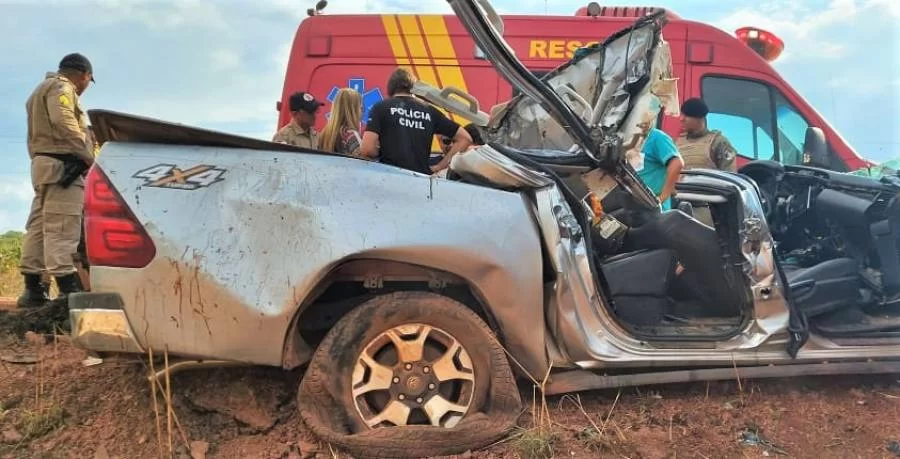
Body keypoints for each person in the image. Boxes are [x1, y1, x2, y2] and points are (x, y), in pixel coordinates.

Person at [18, 53, 96, 309]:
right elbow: (65, 122)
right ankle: (68, 293)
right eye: (88, 80)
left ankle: (33, 289)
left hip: (44, 167)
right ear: (83, 74)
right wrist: (88, 157)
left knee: (40, 227)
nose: (85, 86)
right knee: (62, 227)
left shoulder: (40, 89)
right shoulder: (62, 88)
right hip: (62, 167)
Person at [360, 68, 472, 174]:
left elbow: (367, 149)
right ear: (414, 87)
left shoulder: (380, 108)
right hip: (421, 180)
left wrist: (381, 151)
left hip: (390, 176)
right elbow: (465, 138)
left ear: (391, 87)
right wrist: (440, 166)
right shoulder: (430, 111)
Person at [676, 98, 737, 172]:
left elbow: (729, 176)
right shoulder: (676, 143)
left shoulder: (718, 142)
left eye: (687, 115)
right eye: (682, 114)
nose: (681, 119)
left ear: (700, 118)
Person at [634, 123, 684, 210]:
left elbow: (676, 164)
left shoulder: (656, 137)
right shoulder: (625, 140)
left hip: (652, 211)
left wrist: (661, 198)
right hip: (630, 206)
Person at [318, 88, 364, 156]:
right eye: (361, 108)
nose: (362, 112)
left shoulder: (324, 133)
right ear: (353, 110)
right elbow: (363, 163)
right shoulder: (350, 135)